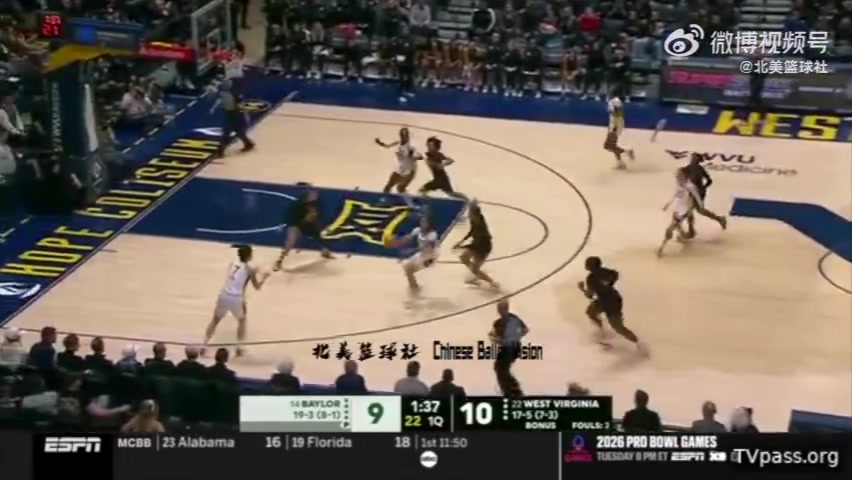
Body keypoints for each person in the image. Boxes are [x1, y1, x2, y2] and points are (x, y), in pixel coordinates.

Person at [203, 245, 270, 357]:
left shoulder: (232, 263)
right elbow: (257, 286)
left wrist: (254, 271)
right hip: (236, 298)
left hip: (224, 295)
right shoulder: (250, 270)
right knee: (242, 321)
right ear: (249, 256)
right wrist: (264, 277)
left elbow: (241, 273)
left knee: (215, 320)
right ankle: (239, 348)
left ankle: (204, 344)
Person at [578, 256, 646, 353]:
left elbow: (590, 295)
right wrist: (608, 284)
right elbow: (615, 275)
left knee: (617, 326)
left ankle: (637, 342)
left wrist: (582, 288)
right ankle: (603, 332)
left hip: (607, 302)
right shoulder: (606, 272)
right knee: (592, 312)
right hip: (613, 298)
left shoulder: (591, 278)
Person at [273, 188, 334, 271]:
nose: (316, 195)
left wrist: (314, 221)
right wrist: (305, 219)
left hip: (308, 224)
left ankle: (325, 252)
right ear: (308, 197)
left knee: (319, 235)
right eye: (313, 194)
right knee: (291, 242)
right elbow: (291, 220)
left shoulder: (316, 203)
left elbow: (317, 216)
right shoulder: (296, 206)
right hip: (296, 224)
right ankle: (279, 261)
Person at [385, 215, 440, 295]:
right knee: (407, 269)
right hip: (422, 254)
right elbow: (408, 238)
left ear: (429, 224)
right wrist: (396, 242)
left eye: (425, 222)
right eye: (422, 222)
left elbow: (423, 247)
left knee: (411, 270)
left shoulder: (432, 235)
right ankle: (415, 288)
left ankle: (416, 289)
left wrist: (408, 252)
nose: (422, 224)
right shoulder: (417, 230)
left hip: (430, 257)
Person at [453, 199, 499, 289]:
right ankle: (475, 275)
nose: (468, 213)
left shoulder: (480, 225)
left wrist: (461, 246)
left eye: (470, 211)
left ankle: (492, 282)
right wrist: (461, 242)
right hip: (477, 245)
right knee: (464, 258)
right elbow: (471, 231)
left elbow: (476, 245)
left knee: (475, 269)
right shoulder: (475, 219)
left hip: (483, 248)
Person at [681, 153, 727, 238]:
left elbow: (684, 179)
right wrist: (703, 188)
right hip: (697, 191)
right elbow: (709, 181)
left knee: (690, 211)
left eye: (693, 157)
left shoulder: (692, 168)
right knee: (700, 210)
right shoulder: (696, 168)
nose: (691, 158)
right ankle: (719, 219)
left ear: (696, 159)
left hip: (696, 192)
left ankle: (691, 231)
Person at [489, 298, 528, 397]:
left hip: (510, 347)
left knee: (501, 368)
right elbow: (493, 335)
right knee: (500, 368)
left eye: (500, 308)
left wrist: (515, 338)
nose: (499, 311)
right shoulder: (500, 322)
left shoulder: (511, 319)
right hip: (509, 347)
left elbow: (525, 329)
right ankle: (510, 388)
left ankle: (512, 389)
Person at [211, 79, 255, 158]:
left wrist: (244, 115)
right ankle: (248, 143)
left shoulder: (235, 94)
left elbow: (241, 106)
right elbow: (220, 101)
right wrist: (214, 107)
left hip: (236, 114)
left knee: (229, 132)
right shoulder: (222, 93)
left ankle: (220, 151)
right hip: (229, 113)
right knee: (233, 132)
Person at [376, 127, 421, 202]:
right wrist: (380, 143)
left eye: (406, 135)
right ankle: (383, 200)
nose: (404, 137)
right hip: (399, 169)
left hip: (407, 170)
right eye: (402, 135)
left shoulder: (410, 147)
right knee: (389, 185)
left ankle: (411, 202)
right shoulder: (398, 143)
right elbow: (387, 146)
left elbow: (415, 157)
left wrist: (416, 157)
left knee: (400, 188)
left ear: (408, 136)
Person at [419, 136, 469, 201]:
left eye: (430, 146)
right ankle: (464, 199)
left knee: (450, 194)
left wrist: (443, 164)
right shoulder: (427, 155)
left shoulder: (438, 155)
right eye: (428, 145)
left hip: (442, 179)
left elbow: (450, 160)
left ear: (436, 148)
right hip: (438, 179)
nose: (428, 147)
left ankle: (465, 199)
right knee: (450, 194)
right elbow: (422, 157)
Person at [603, 91, 634, 170]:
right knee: (612, 145)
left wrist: (614, 127)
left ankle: (627, 151)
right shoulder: (614, 101)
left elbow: (618, 113)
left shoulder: (615, 101)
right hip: (614, 124)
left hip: (615, 126)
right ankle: (620, 163)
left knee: (608, 145)